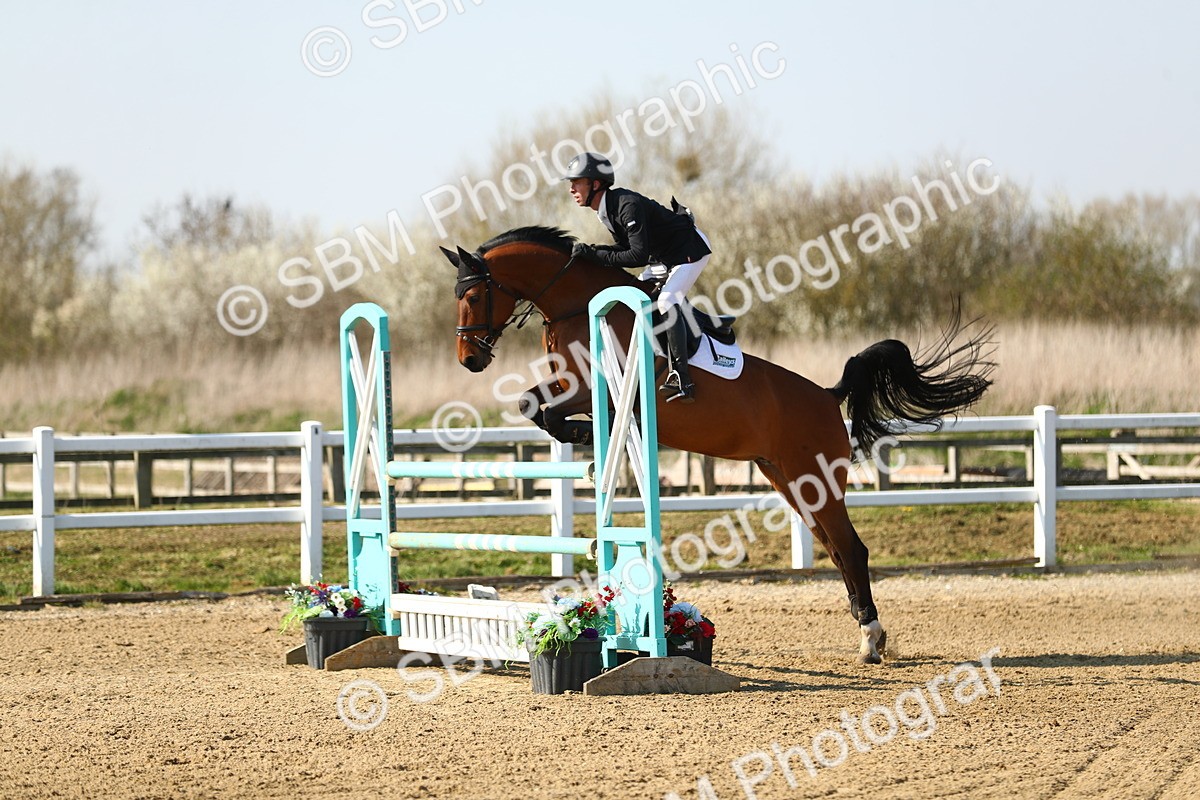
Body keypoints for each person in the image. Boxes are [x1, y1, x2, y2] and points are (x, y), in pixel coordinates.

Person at [562, 152, 711, 403]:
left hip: (688, 251)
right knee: (638, 296)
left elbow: (637, 256)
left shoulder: (626, 205)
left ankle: (682, 378)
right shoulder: (606, 210)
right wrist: (592, 252)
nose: (571, 189)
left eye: (576, 182)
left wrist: (596, 255)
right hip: (663, 258)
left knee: (666, 302)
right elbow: (624, 250)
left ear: (595, 184)